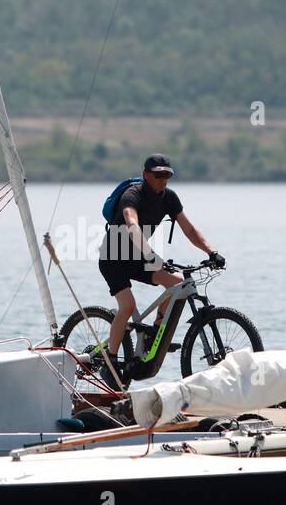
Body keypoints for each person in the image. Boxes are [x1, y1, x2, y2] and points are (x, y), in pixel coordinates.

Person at [95, 154, 224, 375]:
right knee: (126, 306)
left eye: (167, 175)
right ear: (146, 175)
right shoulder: (132, 195)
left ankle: (153, 335)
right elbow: (132, 224)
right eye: (158, 175)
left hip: (139, 259)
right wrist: (152, 256)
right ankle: (110, 359)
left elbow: (189, 230)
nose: (163, 180)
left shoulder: (169, 198)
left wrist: (211, 251)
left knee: (178, 284)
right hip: (113, 258)